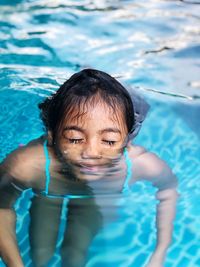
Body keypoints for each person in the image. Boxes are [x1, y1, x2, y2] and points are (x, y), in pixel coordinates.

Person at [0, 69, 178, 267]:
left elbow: (168, 190)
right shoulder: (27, 166)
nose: (91, 152)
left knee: (75, 253)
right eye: (75, 139)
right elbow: (1, 207)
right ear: (52, 136)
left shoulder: (140, 164)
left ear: (126, 141)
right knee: (41, 252)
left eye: (109, 141)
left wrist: (160, 253)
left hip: (92, 198)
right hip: (48, 187)